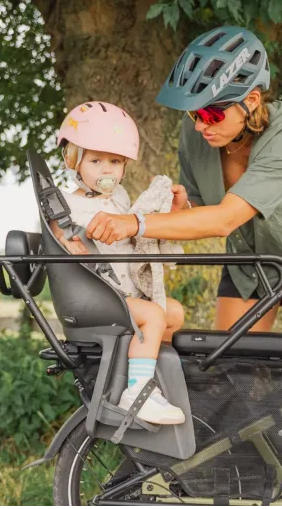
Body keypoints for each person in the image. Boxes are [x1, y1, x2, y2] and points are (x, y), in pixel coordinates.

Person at [84, 27, 282, 487]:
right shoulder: (197, 137)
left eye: (210, 112)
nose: (200, 125)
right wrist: (179, 208)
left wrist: (136, 223)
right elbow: (201, 210)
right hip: (249, 260)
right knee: (229, 376)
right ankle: (239, 488)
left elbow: (225, 218)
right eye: (193, 114)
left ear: (251, 101)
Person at [52, 101, 186, 425]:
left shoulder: (120, 199)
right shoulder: (66, 206)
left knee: (174, 312)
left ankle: (144, 371)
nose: (106, 170)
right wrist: (70, 242)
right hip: (96, 295)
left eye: (115, 161)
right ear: (73, 160)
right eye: (95, 160)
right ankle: (138, 393)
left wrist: (171, 211)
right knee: (153, 315)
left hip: (119, 295)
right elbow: (58, 239)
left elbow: (138, 231)